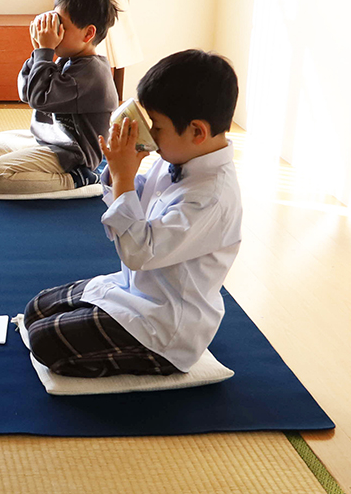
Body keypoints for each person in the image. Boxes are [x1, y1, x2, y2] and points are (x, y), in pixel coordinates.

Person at [23, 50, 242, 377]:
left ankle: (152, 361)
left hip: (163, 323)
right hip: (133, 289)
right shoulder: (181, 157)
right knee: (35, 310)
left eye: (157, 129)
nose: (150, 139)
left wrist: (124, 179)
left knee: (44, 341)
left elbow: (138, 252)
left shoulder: (212, 197)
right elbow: (138, 196)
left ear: (197, 131)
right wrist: (121, 170)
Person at [0, 0, 120, 195]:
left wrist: (45, 50)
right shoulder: (68, 59)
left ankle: (80, 179)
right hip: (46, 141)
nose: (54, 31)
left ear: (88, 34)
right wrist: (39, 51)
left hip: (72, 154)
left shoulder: (92, 74)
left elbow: (38, 98)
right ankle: (40, 172)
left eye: (62, 26)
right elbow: (26, 92)